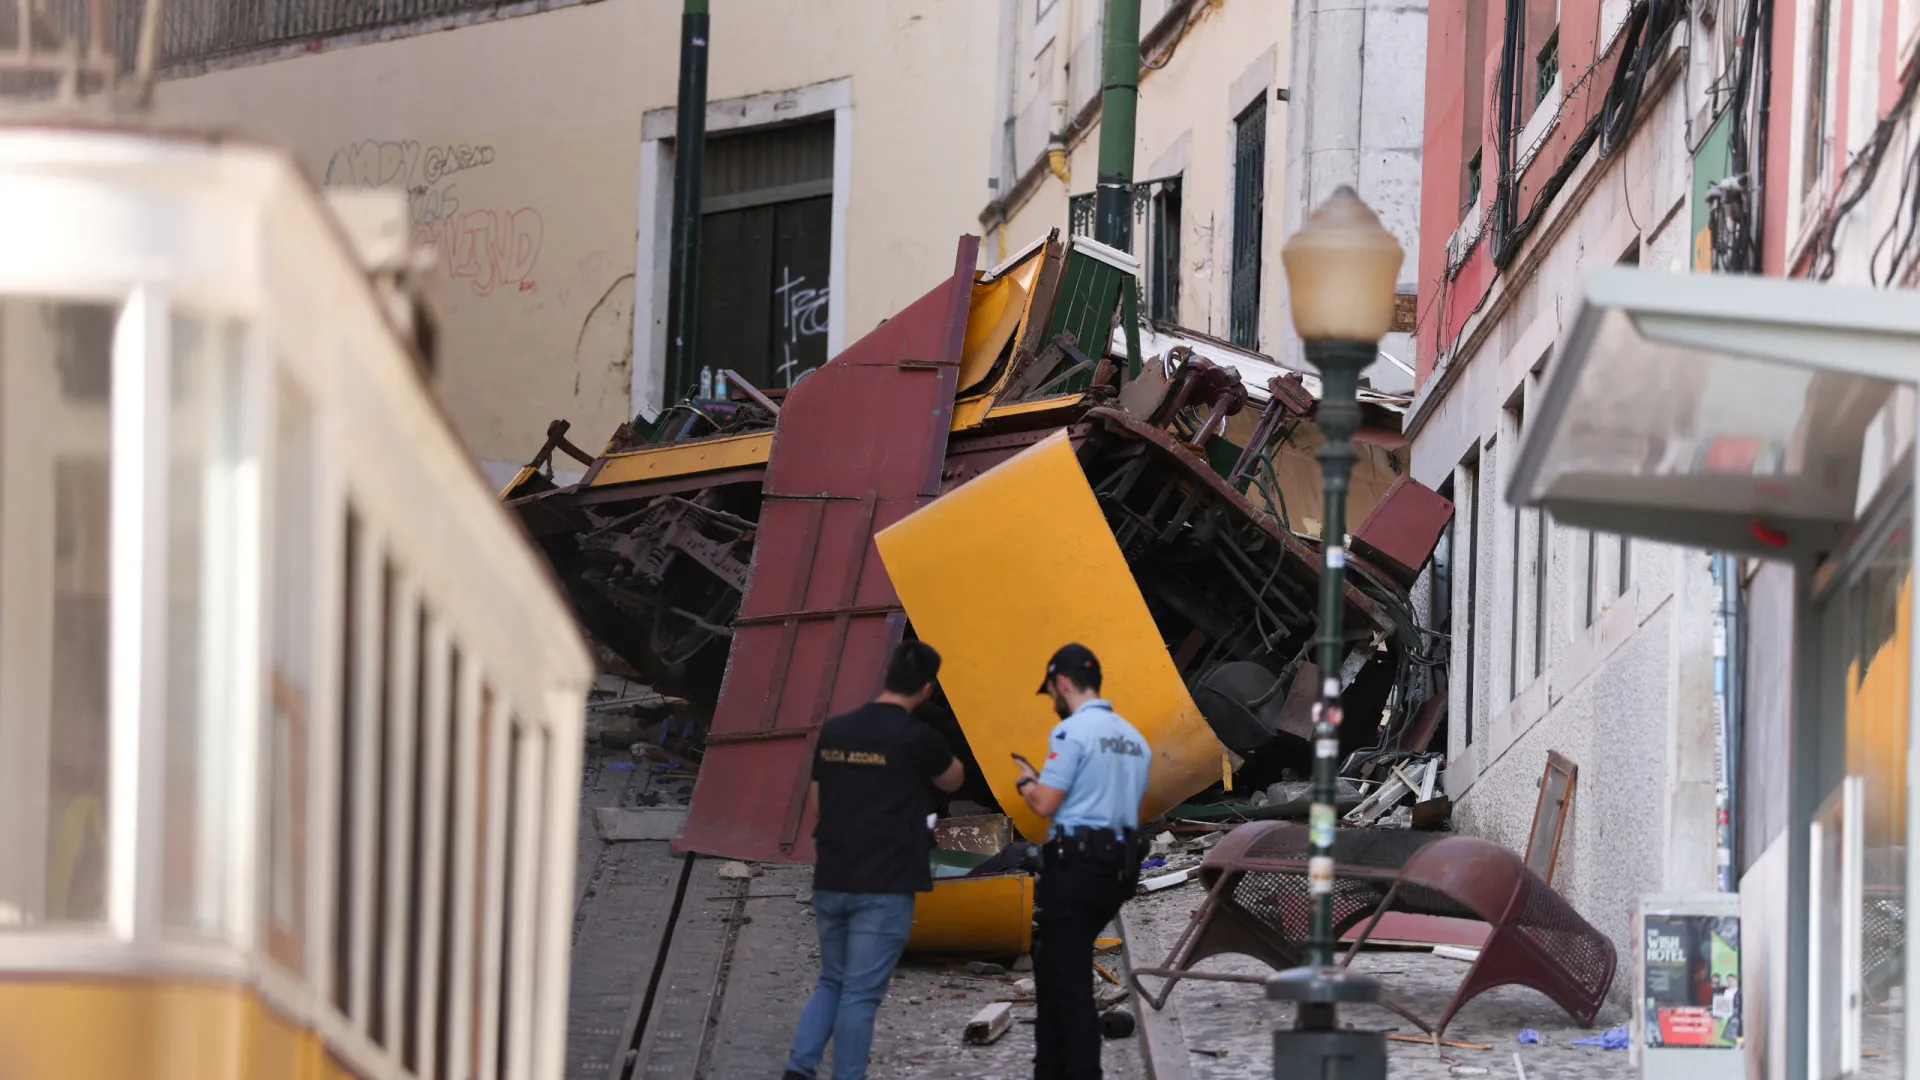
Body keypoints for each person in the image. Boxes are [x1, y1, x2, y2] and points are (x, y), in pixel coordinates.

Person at [783, 639, 965, 1080]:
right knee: (861, 994)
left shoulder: (836, 731)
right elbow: (953, 779)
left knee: (832, 980)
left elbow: (819, 806)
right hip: (884, 884)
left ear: (887, 676)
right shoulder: (920, 738)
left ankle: (799, 1068)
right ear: (927, 689)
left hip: (833, 875)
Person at [1014, 643, 1152, 1080]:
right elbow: (1135, 810)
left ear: (1062, 683)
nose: (1054, 701)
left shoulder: (1070, 732)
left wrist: (1026, 780)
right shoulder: (1134, 740)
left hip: (1076, 867)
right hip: (1117, 871)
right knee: (1054, 968)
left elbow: (1044, 804)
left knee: (1069, 982)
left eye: (1052, 692)